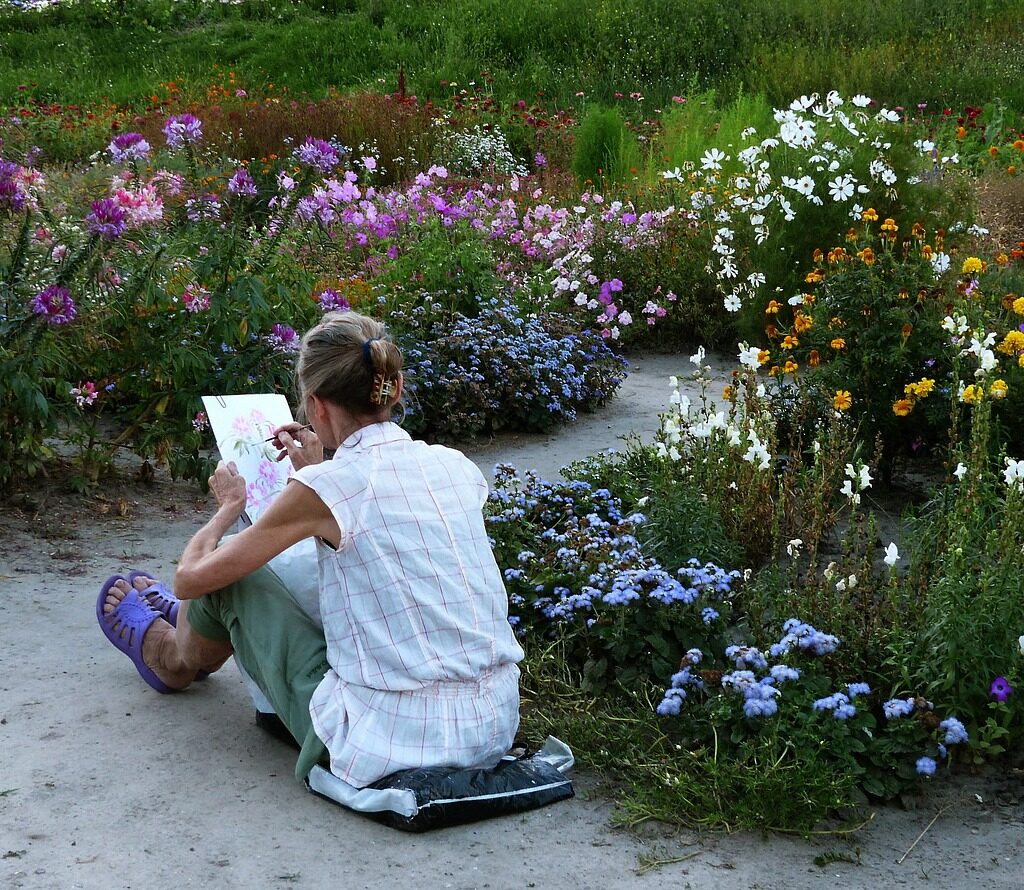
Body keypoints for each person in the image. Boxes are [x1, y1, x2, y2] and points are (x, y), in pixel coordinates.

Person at [97, 311, 524, 788]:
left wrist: (228, 507)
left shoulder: (326, 485)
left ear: (316, 407)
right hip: (492, 724)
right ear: (395, 389)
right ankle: (188, 632)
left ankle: (174, 657)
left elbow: (191, 576)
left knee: (229, 578)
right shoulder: (457, 467)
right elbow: (387, 527)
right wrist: (318, 471)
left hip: (388, 742)